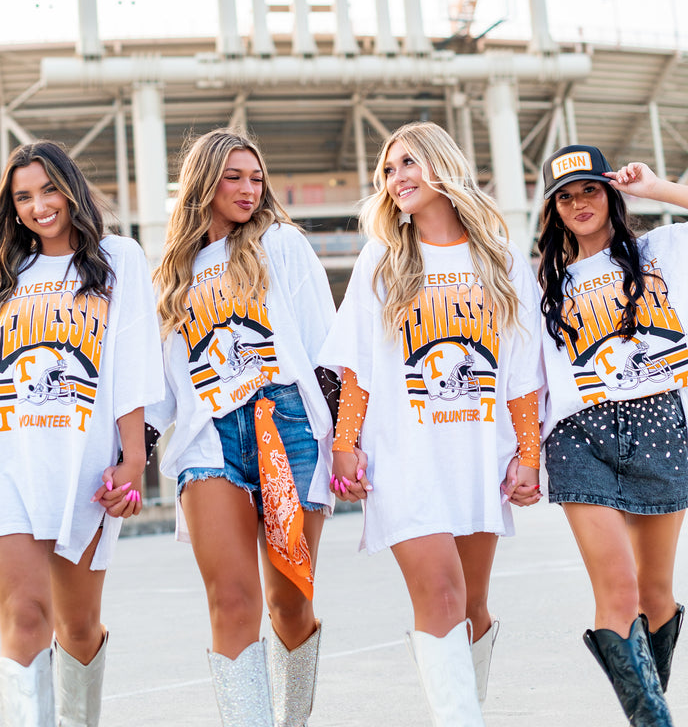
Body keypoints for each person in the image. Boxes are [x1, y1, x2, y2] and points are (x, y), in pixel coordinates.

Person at [319, 121, 544, 724]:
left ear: (444, 166)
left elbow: (522, 366)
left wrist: (529, 453)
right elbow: (358, 368)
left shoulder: (498, 257)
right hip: (404, 457)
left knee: (472, 605)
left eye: (409, 163)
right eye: (388, 170)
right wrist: (345, 444)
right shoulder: (381, 261)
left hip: (478, 456)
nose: (397, 179)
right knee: (440, 595)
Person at [0, 140, 164, 726]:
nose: (38, 206)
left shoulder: (118, 258)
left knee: (77, 625)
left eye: (48, 189)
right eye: (23, 197)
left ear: (71, 189)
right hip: (3, 459)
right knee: (25, 618)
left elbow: (132, 359)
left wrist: (133, 460)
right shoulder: (1, 273)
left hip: (79, 465)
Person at [152, 128, 338, 726]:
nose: (247, 188)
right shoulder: (172, 274)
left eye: (255, 177)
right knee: (231, 602)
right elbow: (159, 387)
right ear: (202, 182)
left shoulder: (281, 243)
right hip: (209, 439)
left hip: (288, 426)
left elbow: (323, 345)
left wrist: (347, 440)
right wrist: (134, 452)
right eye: (233, 176)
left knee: (290, 602)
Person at [538, 144, 688, 726]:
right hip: (582, 436)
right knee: (619, 592)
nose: (579, 203)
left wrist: (657, 187)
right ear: (553, 211)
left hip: (658, 426)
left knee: (656, 594)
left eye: (590, 189)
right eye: (565, 196)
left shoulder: (661, 251)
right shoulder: (544, 285)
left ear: (610, 195)